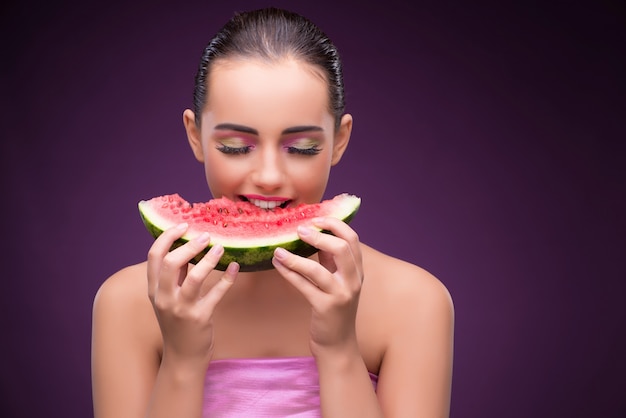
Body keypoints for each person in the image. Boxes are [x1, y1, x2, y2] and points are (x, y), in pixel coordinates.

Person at [91, 7, 454, 417]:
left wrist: (339, 351)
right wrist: (183, 359)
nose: (267, 176)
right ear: (195, 136)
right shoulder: (126, 304)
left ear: (339, 140)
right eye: (235, 147)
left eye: (301, 149)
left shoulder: (415, 304)